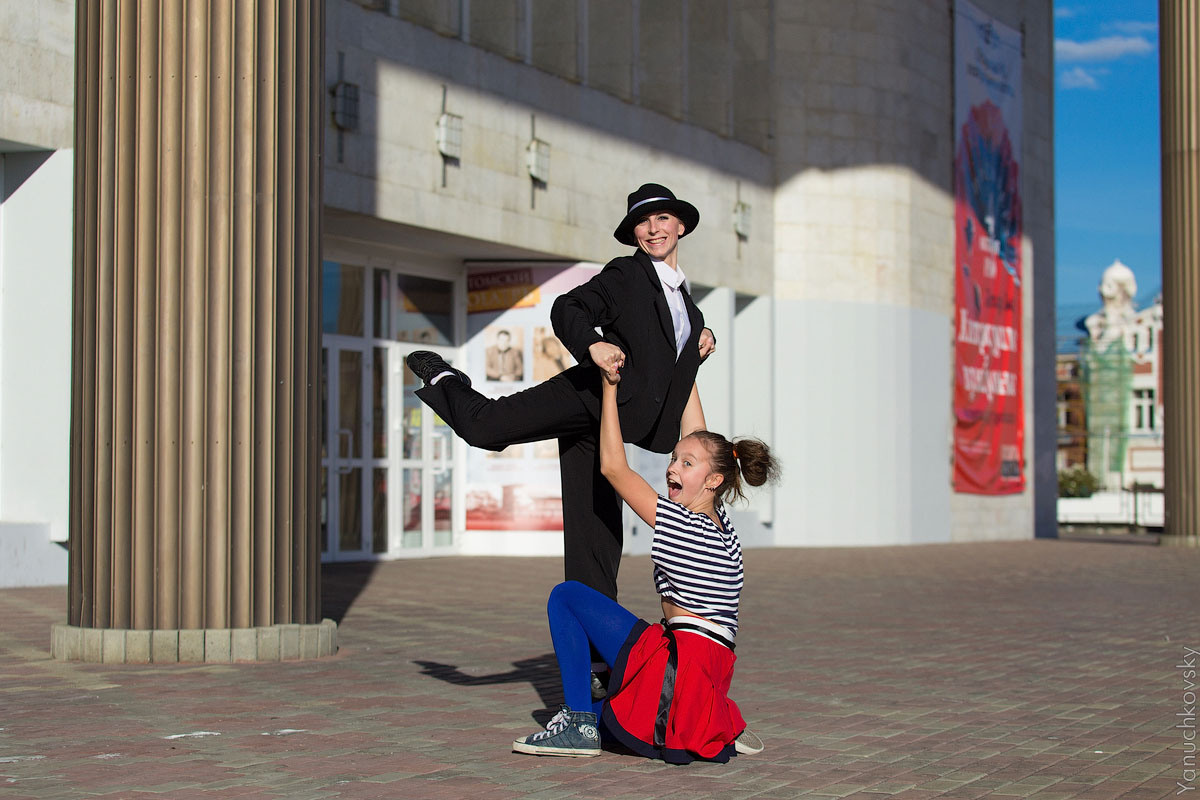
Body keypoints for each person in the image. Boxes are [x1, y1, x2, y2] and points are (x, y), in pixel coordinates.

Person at [405, 183, 715, 602]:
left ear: (680, 225)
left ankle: (596, 659)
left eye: (662, 218)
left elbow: (673, 357)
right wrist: (593, 344)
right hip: (585, 394)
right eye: (643, 221)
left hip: (609, 424)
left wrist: (703, 337)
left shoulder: (689, 309)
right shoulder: (626, 274)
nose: (653, 229)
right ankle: (444, 379)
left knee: (599, 540)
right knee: (486, 428)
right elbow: (568, 306)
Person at [511, 366, 779, 762]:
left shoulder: (685, 526)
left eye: (686, 465)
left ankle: (578, 722)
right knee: (617, 717)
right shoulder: (722, 527)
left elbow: (614, 469)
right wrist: (687, 360)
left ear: (713, 481)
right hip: (705, 670)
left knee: (567, 597)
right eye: (674, 458)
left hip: (681, 664)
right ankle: (710, 720)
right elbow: (700, 440)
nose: (673, 467)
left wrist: (608, 388)